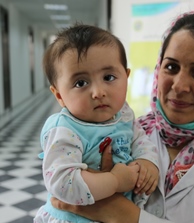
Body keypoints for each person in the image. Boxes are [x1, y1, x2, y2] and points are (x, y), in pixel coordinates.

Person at [51, 11, 194, 223]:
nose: (179, 85)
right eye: (171, 67)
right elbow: (63, 199)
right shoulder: (126, 133)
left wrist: (124, 215)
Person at [34, 24, 159, 223]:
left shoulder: (124, 116)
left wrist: (147, 163)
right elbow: (62, 183)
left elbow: (142, 143)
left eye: (109, 77)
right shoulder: (65, 129)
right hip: (73, 218)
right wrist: (115, 181)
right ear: (59, 95)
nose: (98, 92)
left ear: (126, 77)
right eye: (80, 83)